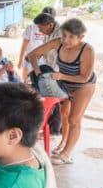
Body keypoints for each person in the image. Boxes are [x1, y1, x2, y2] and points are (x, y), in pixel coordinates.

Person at [27, 18, 96, 165]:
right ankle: (63, 143)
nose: (66, 40)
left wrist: (62, 76)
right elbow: (32, 55)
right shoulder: (58, 42)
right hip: (64, 82)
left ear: (81, 37)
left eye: (71, 37)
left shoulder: (87, 50)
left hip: (83, 85)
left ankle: (66, 153)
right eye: (64, 35)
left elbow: (84, 77)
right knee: (64, 115)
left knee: (74, 119)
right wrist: (38, 71)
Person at [18, 7, 60, 81]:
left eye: (41, 28)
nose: (40, 31)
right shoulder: (47, 31)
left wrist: (39, 74)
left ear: (50, 25)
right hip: (48, 65)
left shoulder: (60, 35)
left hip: (57, 71)